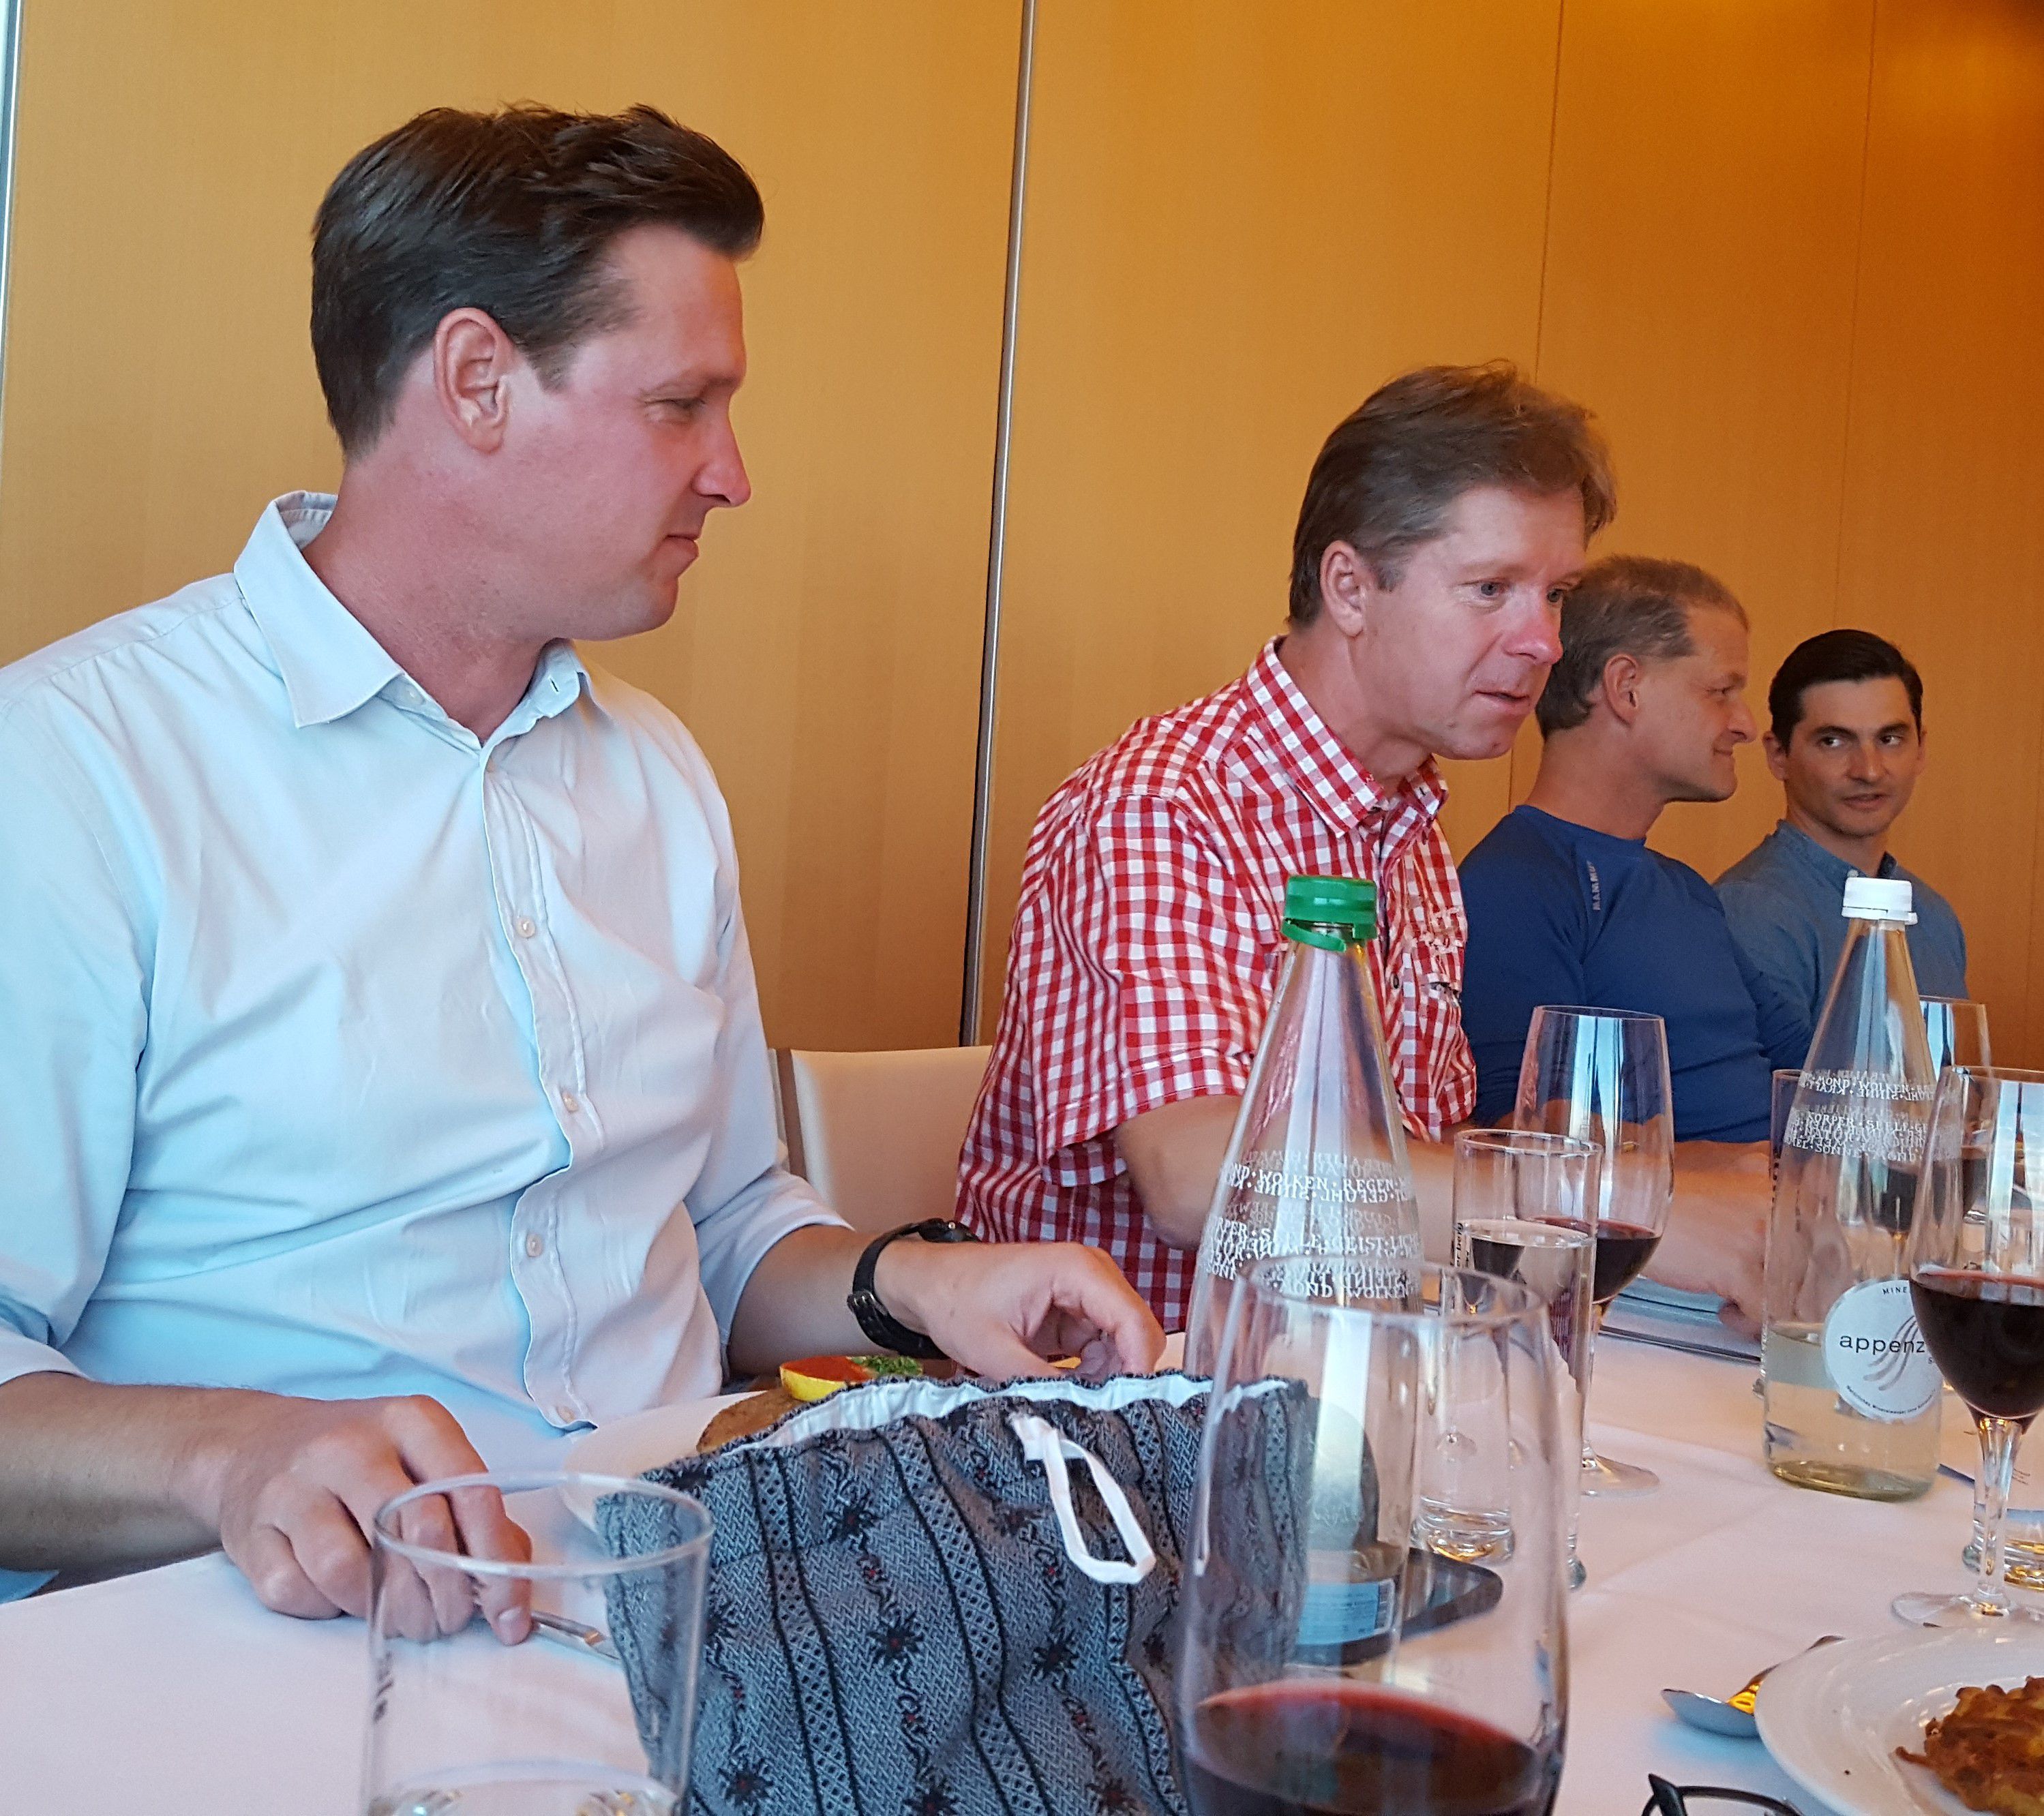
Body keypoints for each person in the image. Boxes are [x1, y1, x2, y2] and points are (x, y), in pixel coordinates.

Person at [0, 106, 1160, 1621]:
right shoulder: (79, 769)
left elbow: (724, 1224)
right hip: (292, 1634)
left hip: (690, 1588)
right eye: (680, 405)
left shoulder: (655, 776)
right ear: (476, 380)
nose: (731, 474)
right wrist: (233, 1454)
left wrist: (916, 1281)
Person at [959, 363, 1773, 1333]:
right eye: (1490, 589)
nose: (1545, 643)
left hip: (1367, 1366)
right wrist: (1610, 1211)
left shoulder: (1404, 825)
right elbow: (1197, 1173)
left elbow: (1409, 1154)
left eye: (1554, 594)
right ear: (1349, 587)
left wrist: (1667, 1175)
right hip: (1159, 1386)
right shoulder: (1166, 801)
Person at [1459, 555, 1808, 1146]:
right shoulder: (1514, 883)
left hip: (1781, 1195)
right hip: (1692, 1207)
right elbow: (1529, 1139)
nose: (1746, 725)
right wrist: (1733, 1176)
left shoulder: (1686, 890)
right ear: (1627, 689)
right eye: (1722, 691)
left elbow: (1816, 1077)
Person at [1717, 629, 1966, 1044]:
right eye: (1833, 741)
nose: (1869, 770)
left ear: (1921, 748)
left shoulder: (1935, 917)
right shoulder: (1753, 911)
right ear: (1779, 755)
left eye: (1890, 739)